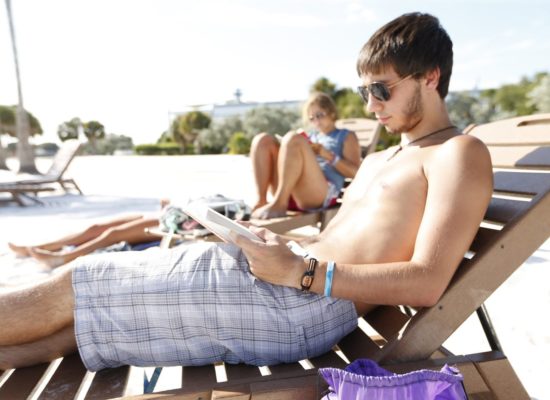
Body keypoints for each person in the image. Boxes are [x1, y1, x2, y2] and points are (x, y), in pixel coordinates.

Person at [0, 12, 493, 372]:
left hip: (299, 304)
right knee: (74, 326)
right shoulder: (386, 157)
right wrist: (266, 240)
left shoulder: (457, 154)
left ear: (431, 78)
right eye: (365, 91)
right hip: (286, 281)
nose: (371, 105)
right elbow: (338, 236)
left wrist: (301, 272)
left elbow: (427, 281)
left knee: (82, 281)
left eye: (382, 89)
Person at [250, 92, 361, 219]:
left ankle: (279, 203)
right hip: (292, 192)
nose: (316, 121)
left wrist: (329, 156)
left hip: (320, 193)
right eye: (312, 118)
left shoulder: (345, 136)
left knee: (294, 138)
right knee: (263, 140)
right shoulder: (311, 136)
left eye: (319, 115)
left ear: (331, 112)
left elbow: (356, 173)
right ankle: (261, 201)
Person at [8, 214, 160, 268]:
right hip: (168, 213)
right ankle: (41, 247)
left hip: (179, 221)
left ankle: (63, 258)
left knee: (113, 234)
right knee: (95, 228)